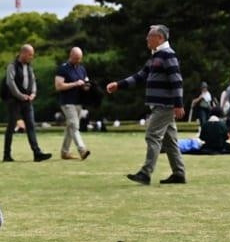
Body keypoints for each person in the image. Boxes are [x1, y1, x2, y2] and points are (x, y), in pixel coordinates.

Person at [106, 24, 186, 185]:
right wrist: (119, 84)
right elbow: (140, 76)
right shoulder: (156, 56)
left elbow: (176, 81)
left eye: (150, 36)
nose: (147, 39)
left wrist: (179, 104)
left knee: (152, 136)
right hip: (161, 105)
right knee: (170, 141)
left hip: (164, 105)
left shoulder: (167, 55)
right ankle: (179, 173)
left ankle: (145, 173)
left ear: (160, 38)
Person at [0, 44, 52, 163]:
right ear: (23, 53)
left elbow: (33, 81)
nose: (31, 57)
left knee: (31, 126)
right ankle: (6, 154)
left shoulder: (29, 67)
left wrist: (33, 93)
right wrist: (20, 95)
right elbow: (10, 83)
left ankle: (37, 153)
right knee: (11, 126)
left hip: (27, 101)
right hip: (14, 101)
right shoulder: (12, 66)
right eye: (30, 55)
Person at [54, 47, 91, 160]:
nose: (78, 60)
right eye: (76, 58)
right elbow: (58, 86)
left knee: (70, 127)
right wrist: (75, 84)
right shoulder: (63, 68)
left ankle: (64, 152)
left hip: (78, 101)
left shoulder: (82, 69)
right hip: (67, 102)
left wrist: (86, 86)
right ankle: (82, 150)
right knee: (75, 126)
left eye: (79, 58)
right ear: (71, 55)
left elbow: (86, 82)